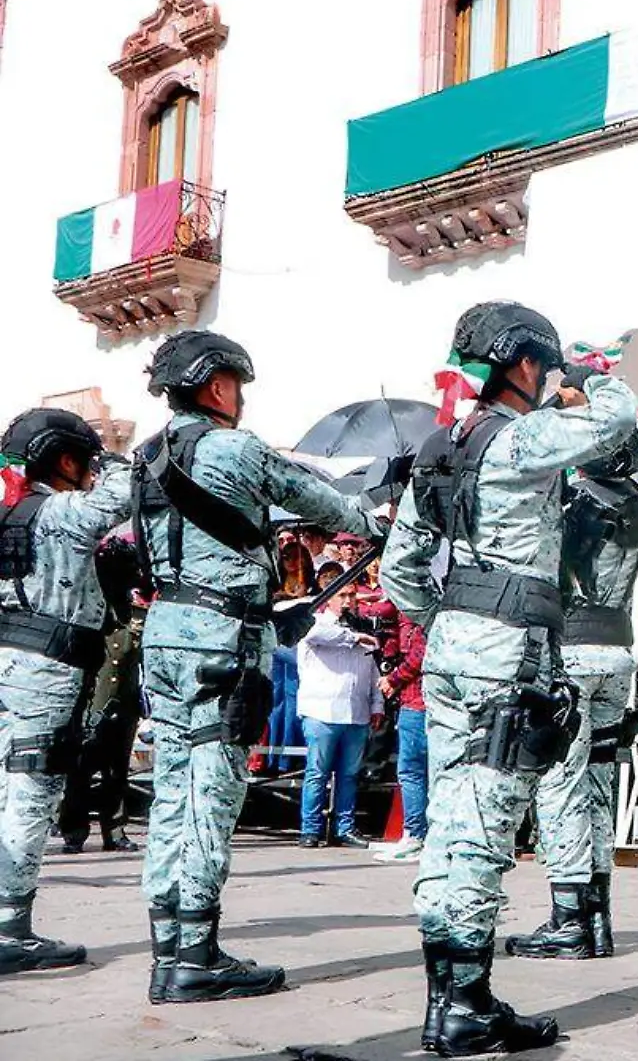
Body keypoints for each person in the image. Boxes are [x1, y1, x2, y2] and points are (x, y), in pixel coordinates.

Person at [382, 302, 638, 1055]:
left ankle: (456, 998)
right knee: (485, 827)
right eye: (544, 364)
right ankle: (463, 1006)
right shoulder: (524, 438)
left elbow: (402, 571)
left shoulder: (440, 446)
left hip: (457, 641)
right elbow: (617, 419)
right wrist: (588, 378)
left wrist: (449, 625)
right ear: (526, 363)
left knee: (453, 824)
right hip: (508, 646)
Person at [132, 332, 378, 1003]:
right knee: (212, 793)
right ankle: (199, 956)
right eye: (236, 386)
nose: (239, 399)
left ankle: (167, 949)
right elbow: (327, 504)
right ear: (217, 387)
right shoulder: (236, 448)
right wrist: (373, 513)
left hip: (168, 634)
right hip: (221, 643)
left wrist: (276, 616)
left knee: (171, 792)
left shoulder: (147, 456)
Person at [505, 439, 638, 961]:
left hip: (573, 651)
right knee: (597, 785)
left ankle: (568, 918)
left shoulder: (572, 500)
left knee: (561, 786)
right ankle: (597, 918)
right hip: (618, 650)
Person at [0, 410, 133, 976]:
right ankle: (11, 927)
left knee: (9, 791)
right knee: (32, 793)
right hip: (46, 666)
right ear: (66, 460)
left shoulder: (10, 515)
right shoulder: (60, 511)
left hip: (9, 659)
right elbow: (121, 497)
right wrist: (121, 459)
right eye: (86, 461)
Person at [58, 534, 147, 855]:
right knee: (79, 769)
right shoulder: (86, 609)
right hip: (89, 700)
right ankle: (74, 829)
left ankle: (116, 829)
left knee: (117, 771)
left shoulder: (137, 614)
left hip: (125, 702)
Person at [294, 586, 382, 849]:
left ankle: (344, 828)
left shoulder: (360, 627)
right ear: (328, 597)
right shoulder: (317, 622)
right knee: (317, 773)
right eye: (342, 595)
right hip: (322, 712)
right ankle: (310, 829)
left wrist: (377, 704)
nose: (348, 601)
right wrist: (354, 637)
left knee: (349, 775)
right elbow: (316, 634)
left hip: (356, 713)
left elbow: (372, 670)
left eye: (352, 596)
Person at [374, 612, 428, 863]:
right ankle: (420, 835)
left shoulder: (422, 622)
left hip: (418, 705)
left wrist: (393, 678)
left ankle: (416, 835)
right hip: (419, 704)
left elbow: (419, 656)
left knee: (412, 771)